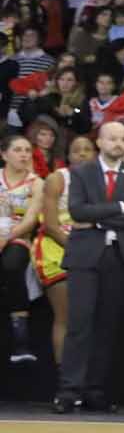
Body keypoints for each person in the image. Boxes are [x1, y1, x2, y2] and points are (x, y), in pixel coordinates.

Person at [52, 119, 124, 412]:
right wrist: (118, 208)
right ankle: (68, 391)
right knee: (79, 325)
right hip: (84, 256)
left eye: (122, 139)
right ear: (100, 142)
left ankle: (96, 391)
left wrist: (97, 218)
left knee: (107, 326)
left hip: (119, 256)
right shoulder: (82, 172)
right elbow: (77, 209)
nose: (118, 143)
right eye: (112, 138)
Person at [0, 135, 41, 369]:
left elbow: (31, 219)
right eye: (18, 150)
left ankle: (21, 339)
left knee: (12, 264)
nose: (24, 155)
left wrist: (6, 238)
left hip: (19, 237)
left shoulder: (37, 182)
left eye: (27, 150)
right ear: (4, 154)